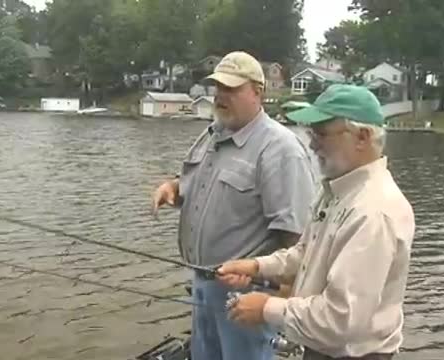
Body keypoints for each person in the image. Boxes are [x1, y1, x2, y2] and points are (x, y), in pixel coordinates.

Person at [217, 84, 416, 360]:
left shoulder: (373, 212)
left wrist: (266, 308)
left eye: (321, 134)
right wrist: (256, 267)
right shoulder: (336, 189)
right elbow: (307, 253)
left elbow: (340, 319)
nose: (312, 144)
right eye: (312, 134)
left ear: (362, 136)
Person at [151, 51, 316, 360]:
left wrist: (278, 304)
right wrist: (171, 188)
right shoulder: (213, 133)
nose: (221, 96)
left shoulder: (280, 149)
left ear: (258, 92)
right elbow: (191, 182)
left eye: (231, 89)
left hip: (247, 294)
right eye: (218, 88)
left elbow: (297, 239)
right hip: (202, 283)